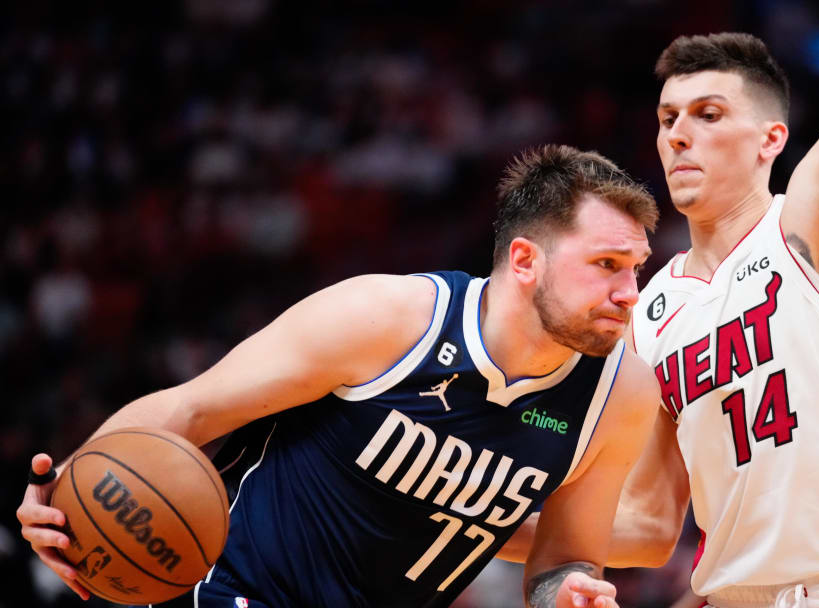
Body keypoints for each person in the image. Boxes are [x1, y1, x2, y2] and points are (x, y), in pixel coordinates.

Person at [16, 144, 663, 608]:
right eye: (606, 263)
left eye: (635, 266)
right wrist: (71, 493)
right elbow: (188, 410)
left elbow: (563, 556)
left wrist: (567, 592)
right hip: (240, 590)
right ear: (525, 260)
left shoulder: (620, 393)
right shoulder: (384, 317)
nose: (629, 290)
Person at [606, 0, 819, 605]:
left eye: (708, 114)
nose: (678, 134)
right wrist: (485, 524)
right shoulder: (647, 313)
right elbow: (647, 524)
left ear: (771, 138)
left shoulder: (812, 224)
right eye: (667, 119)